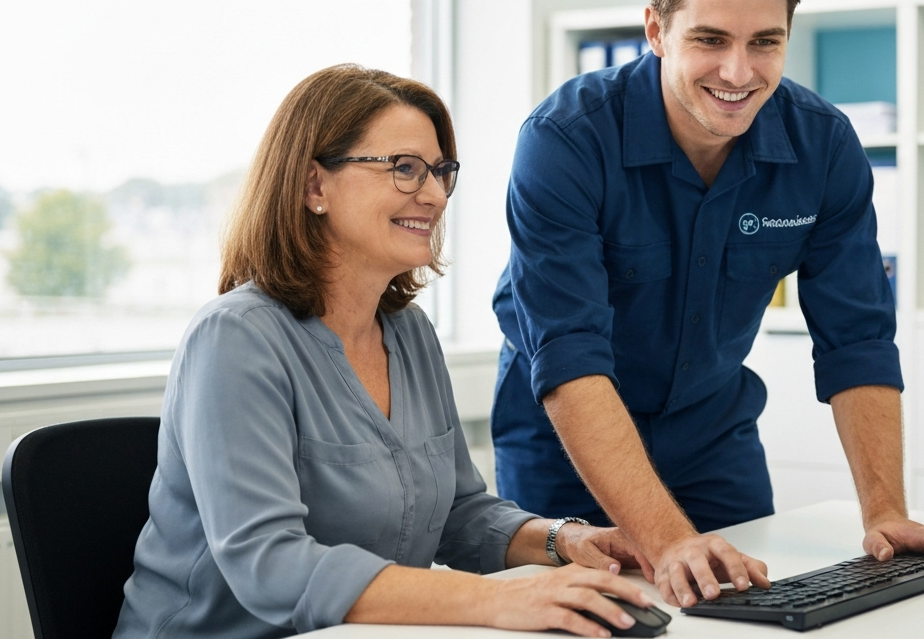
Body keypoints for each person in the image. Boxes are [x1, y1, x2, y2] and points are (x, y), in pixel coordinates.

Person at [491, 0, 924, 609]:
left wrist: (885, 512)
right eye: (710, 39)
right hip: (567, 453)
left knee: (751, 615)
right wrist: (665, 542)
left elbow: (857, 339)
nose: (739, 71)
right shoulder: (565, 142)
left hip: (713, 438)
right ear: (656, 30)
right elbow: (570, 357)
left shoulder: (822, 147)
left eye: (765, 42)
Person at [113, 65, 654, 639]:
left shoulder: (409, 333)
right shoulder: (235, 338)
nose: (436, 194)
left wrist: (566, 541)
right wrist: (501, 601)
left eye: (442, 172)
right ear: (313, 186)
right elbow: (268, 565)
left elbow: (456, 513)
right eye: (404, 169)